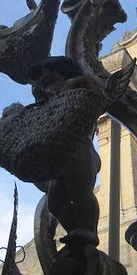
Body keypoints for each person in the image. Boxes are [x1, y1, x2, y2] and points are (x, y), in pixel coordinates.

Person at [25, 56, 103, 246]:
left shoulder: (75, 86)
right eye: (40, 84)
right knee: (55, 203)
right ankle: (74, 230)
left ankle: (88, 229)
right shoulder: (46, 103)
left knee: (80, 192)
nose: (44, 87)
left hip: (79, 150)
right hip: (60, 157)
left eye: (48, 80)